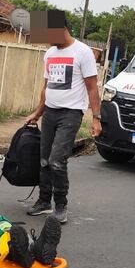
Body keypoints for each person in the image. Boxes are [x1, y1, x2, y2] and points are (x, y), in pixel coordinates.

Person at [24, 11, 102, 223]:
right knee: (44, 160)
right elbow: (46, 87)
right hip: (50, 111)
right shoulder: (49, 54)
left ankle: (61, 205)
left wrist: (96, 118)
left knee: (57, 160)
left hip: (71, 113)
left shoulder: (83, 52)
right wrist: (38, 112)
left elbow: (92, 87)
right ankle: (43, 201)